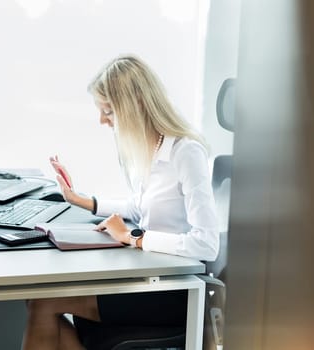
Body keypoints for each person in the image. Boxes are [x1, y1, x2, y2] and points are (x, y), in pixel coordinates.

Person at [22, 55, 219, 349]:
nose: (102, 120)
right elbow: (138, 209)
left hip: (173, 290)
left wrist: (134, 238)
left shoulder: (186, 152)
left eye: (109, 111)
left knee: (41, 303)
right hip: (149, 275)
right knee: (37, 301)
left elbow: (206, 244)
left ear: (136, 105)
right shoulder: (149, 148)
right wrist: (80, 200)